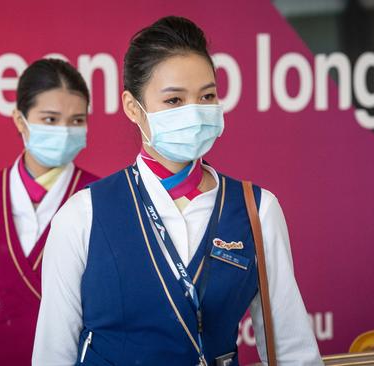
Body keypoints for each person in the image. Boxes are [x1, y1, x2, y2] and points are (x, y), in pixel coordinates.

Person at [33, 16, 322, 366]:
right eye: (174, 101)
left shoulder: (255, 209)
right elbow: (53, 354)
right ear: (132, 108)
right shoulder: (83, 215)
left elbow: (292, 350)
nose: (195, 113)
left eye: (207, 96)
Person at [0, 59, 99, 366]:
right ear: (20, 120)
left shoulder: (98, 196)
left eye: (76, 121)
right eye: (50, 119)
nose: (64, 131)